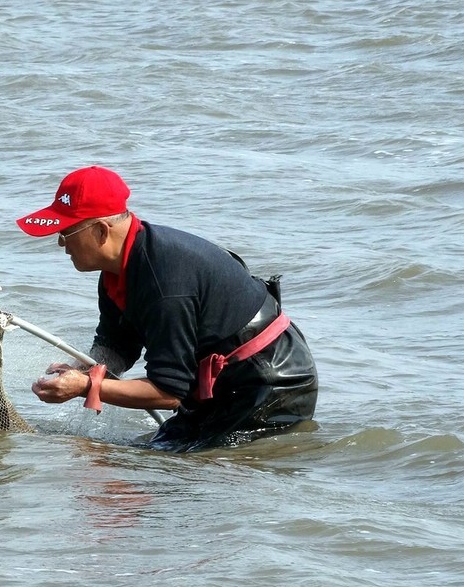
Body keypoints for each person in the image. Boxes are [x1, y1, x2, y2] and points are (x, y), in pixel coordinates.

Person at [16, 166, 318, 452]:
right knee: (152, 454)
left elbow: (167, 393)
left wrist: (85, 386)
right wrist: (81, 370)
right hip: (222, 379)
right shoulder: (115, 271)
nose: (61, 243)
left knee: (189, 467)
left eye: (66, 232)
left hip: (272, 383)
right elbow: (117, 347)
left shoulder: (164, 281)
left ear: (101, 231)